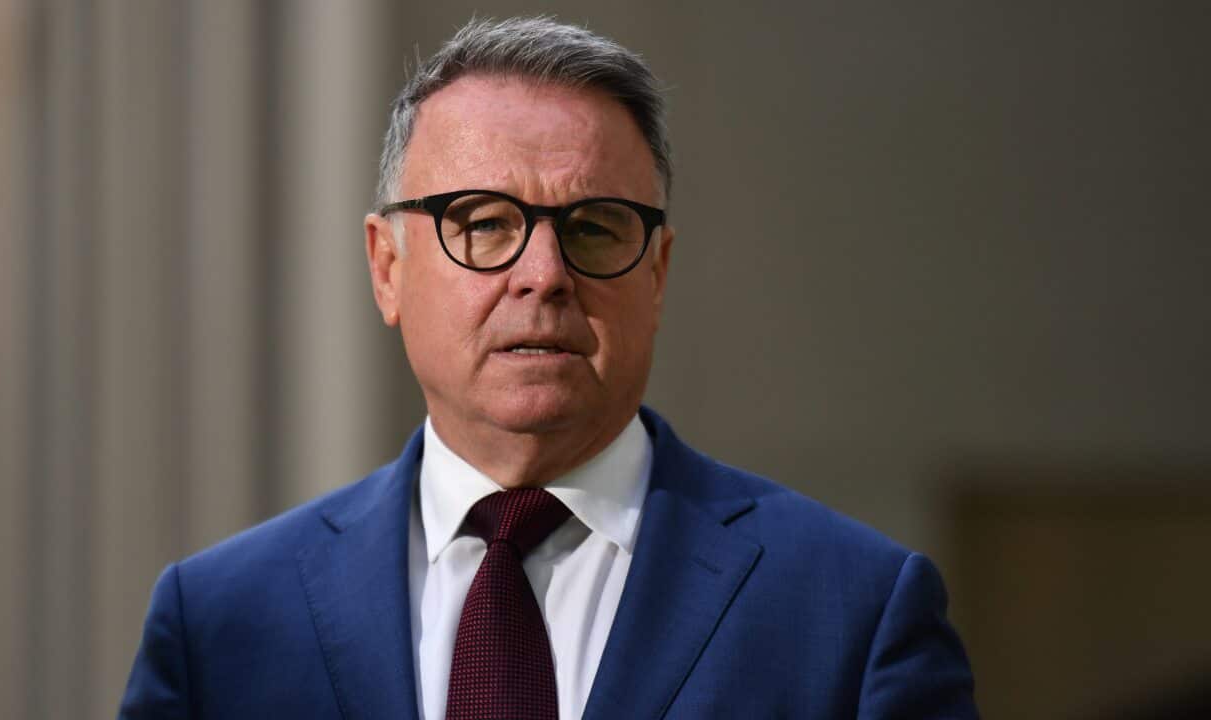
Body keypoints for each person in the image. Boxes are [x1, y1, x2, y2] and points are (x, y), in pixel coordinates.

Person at [120, 16, 978, 719]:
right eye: (484, 222)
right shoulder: (220, 624)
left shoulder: (853, 613)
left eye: (596, 227)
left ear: (657, 273)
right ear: (388, 268)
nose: (544, 274)